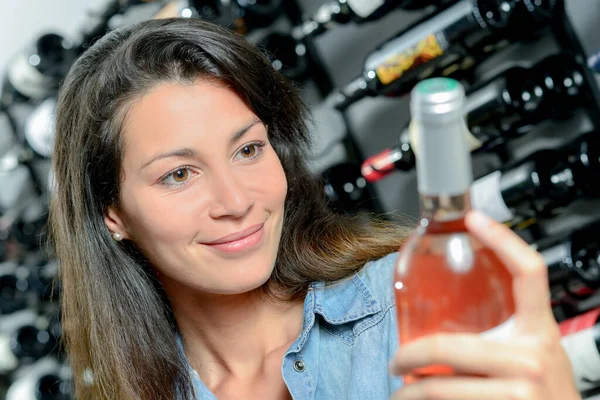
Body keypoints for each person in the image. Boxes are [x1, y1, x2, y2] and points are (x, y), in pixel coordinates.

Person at [48, 17, 581, 400]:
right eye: (179, 174)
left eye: (248, 150)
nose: (236, 203)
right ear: (110, 214)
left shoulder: (415, 306)